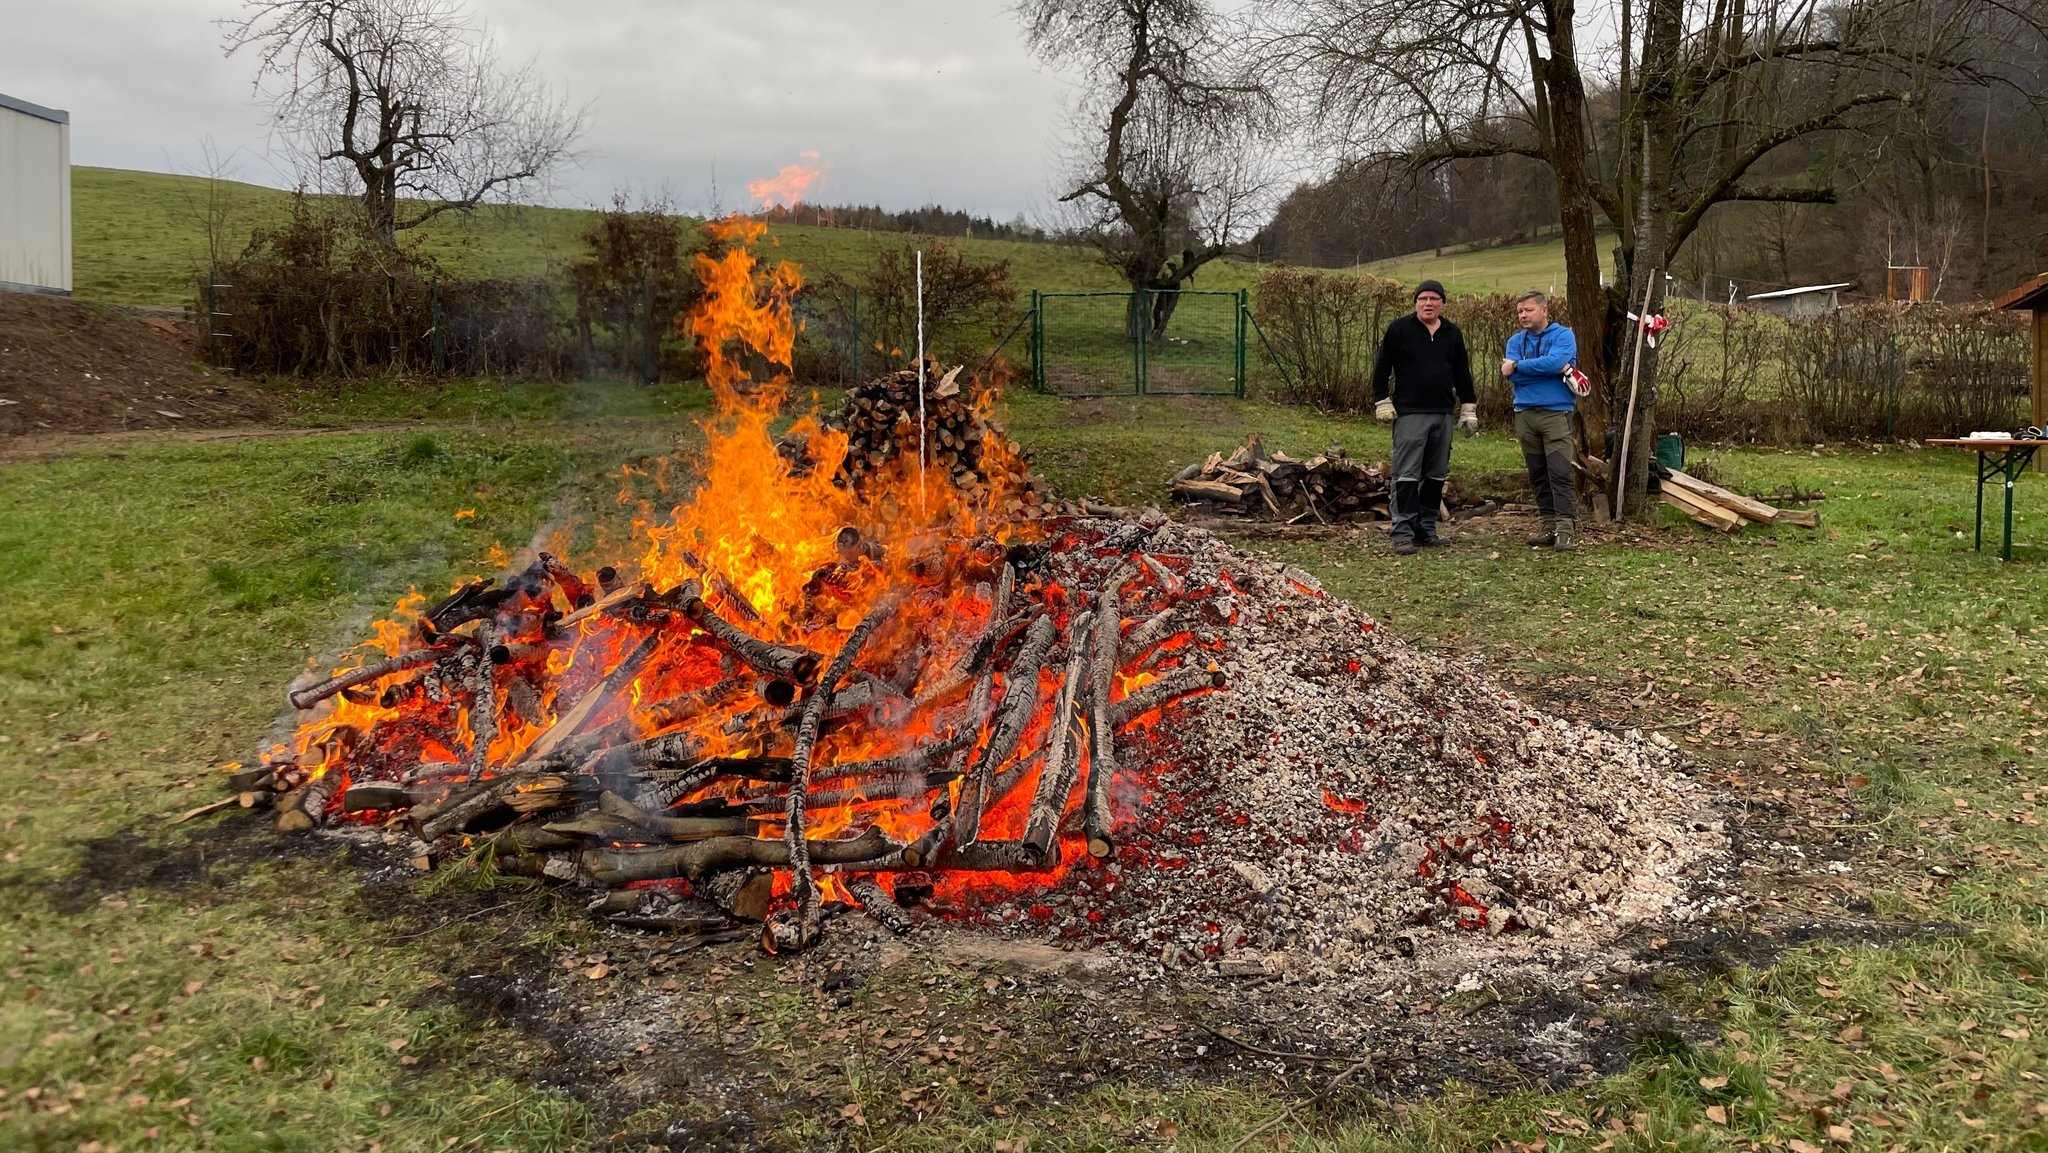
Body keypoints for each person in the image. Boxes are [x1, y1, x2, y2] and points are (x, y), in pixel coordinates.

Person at [1370, 280, 1478, 555]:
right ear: (1415, 302)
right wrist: (1382, 400)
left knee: (1434, 476)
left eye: (1434, 298)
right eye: (1423, 298)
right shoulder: (1399, 330)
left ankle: (1426, 529)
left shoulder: (1452, 333)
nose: (1428, 303)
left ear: (1442, 303)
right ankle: (1402, 532)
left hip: (1442, 413)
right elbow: (1382, 367)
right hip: (1410, 413)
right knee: (1406, 476)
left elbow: (1462, 371)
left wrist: (1468, 406)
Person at [1500, 290, 1579, 551]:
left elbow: (1555, 361)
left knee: (1559, 472)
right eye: (1520, 311)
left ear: (1544, 311)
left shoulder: (1563, 335)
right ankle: (1548, 526)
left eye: (1529, 310)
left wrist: (1520, 367)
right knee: (1538, 474)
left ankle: (1566, 530)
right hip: (1525, 414)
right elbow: (1511, 376)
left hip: (1556, 413)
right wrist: (1544, 370)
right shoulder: (1515, 341)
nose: (1523, 315)